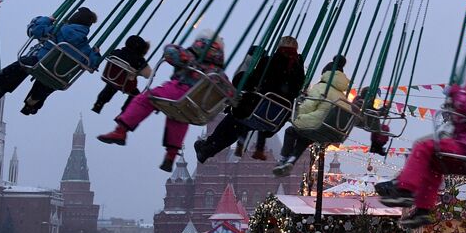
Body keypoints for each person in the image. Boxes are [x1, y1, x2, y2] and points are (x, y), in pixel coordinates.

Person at [377, 63, 466, 228]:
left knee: (423, 147)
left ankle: (405, 188)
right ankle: (423, 208)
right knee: (433, 163)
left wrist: (456, 93)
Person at [98, 30, 226, 172]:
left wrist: (175, 48)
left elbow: (170, 53)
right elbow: (229, 91)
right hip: (195, 104)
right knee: (179, 118)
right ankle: (170, 156)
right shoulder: (219, 73)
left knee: (145, 99)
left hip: (178, 90)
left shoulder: (190, 57)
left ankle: (121, 130)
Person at [195, 37, 307, 163]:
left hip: (259, 110)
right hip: (276, 118)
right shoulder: (299, 70)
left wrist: (241, 78)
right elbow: (296, 90)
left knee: (234, 118)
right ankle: (207, 150)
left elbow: (251, 82)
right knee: (240, 126)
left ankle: (209, 146)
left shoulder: (269, 62)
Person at [0, 7, 103, 114]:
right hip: (59, 75)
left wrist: (47, 19)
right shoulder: (85, 47)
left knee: (22, 65)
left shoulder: (59, 30)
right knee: (49, 81)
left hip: (39, 62)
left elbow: (36, 30)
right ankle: (34, 100)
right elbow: (92, 64)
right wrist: (96, 54)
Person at [272, 58, 352, 176]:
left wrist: (297, 114)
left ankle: (283, 159)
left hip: (319, 125)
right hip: (335, 131)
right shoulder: (343, 96)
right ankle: (291, 161)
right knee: (304, 138)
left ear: (325, 74)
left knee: (291, 131)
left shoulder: (320, 88)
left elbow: (307, 107)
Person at [92, 35, 153, 113]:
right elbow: (148, 75)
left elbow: (108, 55)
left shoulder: (117, 52)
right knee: (136, 95)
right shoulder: (139, 60)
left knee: (112, 86)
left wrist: (98, 52)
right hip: (126, 84)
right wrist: (139, 71)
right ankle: (124, 112)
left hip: (110, 77)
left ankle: (99, 103)